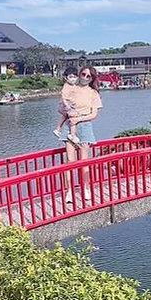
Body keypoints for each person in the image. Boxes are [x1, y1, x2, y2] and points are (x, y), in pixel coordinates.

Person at [61, 65, 103, 203]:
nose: (85, 77)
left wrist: (78, 118)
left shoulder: (93, 93)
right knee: (69, 162)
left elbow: (94, 114)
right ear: (79, 74)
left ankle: (86, 188)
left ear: (92, 78)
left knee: (84, 161)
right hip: (70, 125)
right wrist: (67, 112)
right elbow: (61, 107)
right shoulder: (71, 88)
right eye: (83, 74)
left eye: (88, 76)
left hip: (84, 125)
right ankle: (69, 192)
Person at [53, 65, 89, 145]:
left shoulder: (73, 86)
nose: (73, 79)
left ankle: (58, 129)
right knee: (73, 118)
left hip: (70, 105)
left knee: (65, 117)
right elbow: (64, 97)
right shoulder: (66, 86)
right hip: (67, 105)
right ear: (66, 78)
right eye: (71, 77)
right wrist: (67, 106)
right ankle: (72, 135)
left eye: (75, 77)